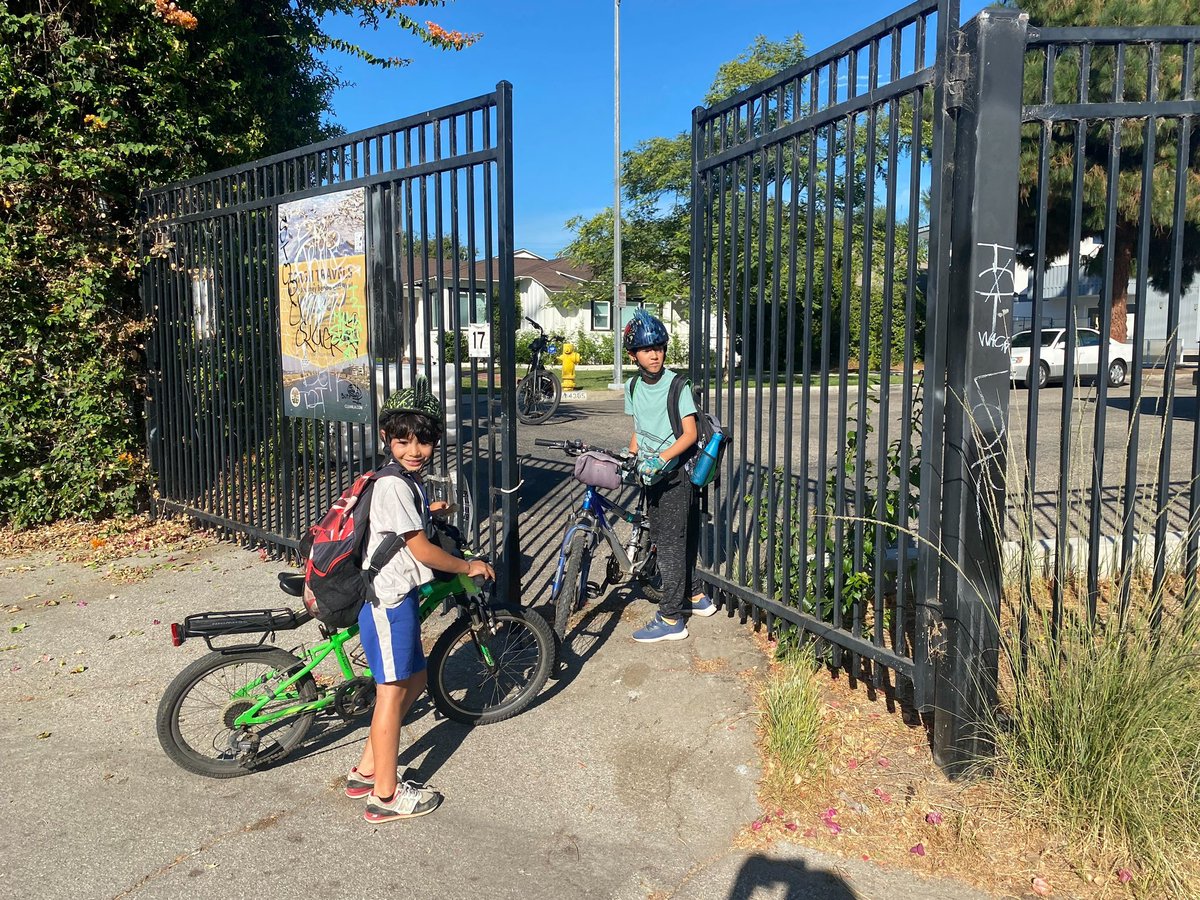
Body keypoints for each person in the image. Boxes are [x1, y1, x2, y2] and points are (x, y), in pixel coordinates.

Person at [345, 376, 495, 823]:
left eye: (424, 440)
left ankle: (367, 772)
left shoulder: (401, 481)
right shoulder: (394, 484)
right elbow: (421, 550)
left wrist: (430, 511)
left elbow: (397, 525)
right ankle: (385, 798)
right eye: (404, 440)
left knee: (415, 680)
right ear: (387, 438)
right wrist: (467, 565)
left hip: (397, 601)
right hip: (388, 603)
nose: (415, 449)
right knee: (391, 694)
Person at [622, 309, 716, 643]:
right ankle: (695, 595)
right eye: (647, 349)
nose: (655, 354)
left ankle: (671, 617)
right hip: (650, 476)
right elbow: (639, 430)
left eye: (659, 347)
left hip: (675, 475)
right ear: (633, 355)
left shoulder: (677, 385)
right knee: (677, 538)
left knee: (669, 545)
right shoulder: (632, 386)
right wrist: (630, 455)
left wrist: (661, 459)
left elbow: (689, 434)